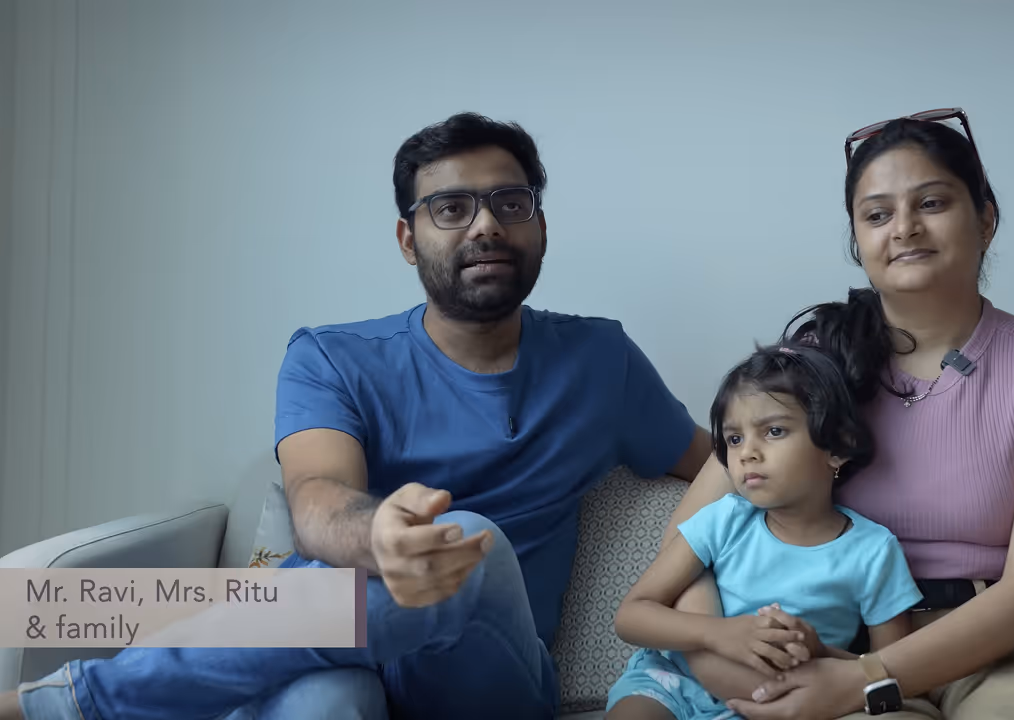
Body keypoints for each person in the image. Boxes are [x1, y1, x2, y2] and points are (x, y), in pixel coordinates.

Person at [0, 112, 712, 720]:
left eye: (510, 203)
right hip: (347, 653)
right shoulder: (332, 358)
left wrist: (699, 570)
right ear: (408, 240)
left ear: (540, 226)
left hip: (487, 682)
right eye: (452, 208)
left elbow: (725, 466)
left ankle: (75, 704)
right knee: (322, 703)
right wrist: (378, 536)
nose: (487, 225)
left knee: (463, 541)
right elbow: (315, 499)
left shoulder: (601, 361)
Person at [660, 109, 1014, 719]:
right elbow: (685, 544)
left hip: (1004, 650)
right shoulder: (805, 366)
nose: (904, 228)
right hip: (825, 646)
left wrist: (871, 678)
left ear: (985, 219)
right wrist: (718, 660)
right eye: (878, 215)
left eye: (931, 203)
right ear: (860, 242)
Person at [604, 344, 925, 720]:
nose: (746, 453)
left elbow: (889, 667)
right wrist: (718, 634)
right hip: (670, 683)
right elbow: (631, 615)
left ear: (837, 448)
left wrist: (820, 651)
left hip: (778, 702)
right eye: (734, 438)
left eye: (773, 431)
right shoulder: (723, 519)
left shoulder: (874, 550)